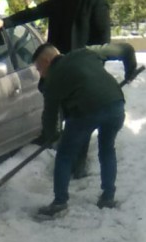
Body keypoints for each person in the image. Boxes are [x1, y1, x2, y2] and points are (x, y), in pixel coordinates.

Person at [0, 0, 111, 178]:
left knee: (78, 120)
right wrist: (5, 22)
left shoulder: (96, 1)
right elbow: (34, 13)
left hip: (82, 73)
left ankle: (77, 164)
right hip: (58, 70)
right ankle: (62, 152)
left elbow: (103, 42)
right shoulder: (59, 0)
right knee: (61, 115)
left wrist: (93, 69)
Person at [31, 40, 139, 218]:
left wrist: (52, 136)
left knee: (65, 155)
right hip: (115, 106)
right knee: (107, 149)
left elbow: (50, 115)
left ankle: (59, 202)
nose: (39, 73)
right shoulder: (87, 52)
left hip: (86, 112)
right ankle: (108, 197)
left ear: (46, 61)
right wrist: (130, 70)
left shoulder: (52, 79)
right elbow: (126, 48)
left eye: (38, 68)